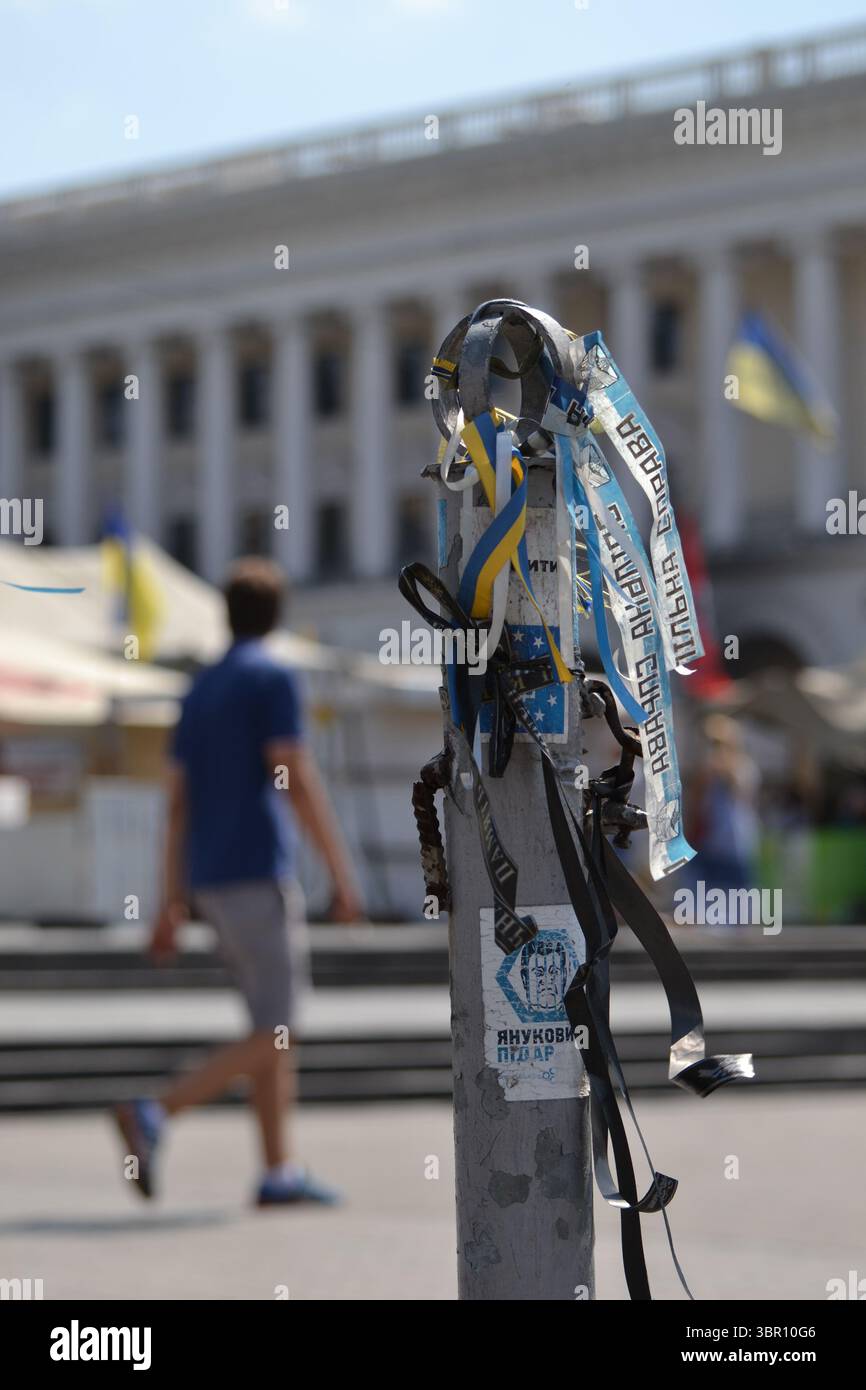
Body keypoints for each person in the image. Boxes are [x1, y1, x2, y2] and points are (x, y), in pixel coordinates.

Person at [113, 557, 363, 1207]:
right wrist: (342, 874)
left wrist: (169, 898)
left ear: (226, 613)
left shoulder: (199, 689)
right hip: (257, 870)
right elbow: (295, 775)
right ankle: (156, 1111)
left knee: (267, 1027)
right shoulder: (273, 676)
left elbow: (176, 803)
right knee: (281, 1029)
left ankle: (278, 1174)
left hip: (210, 880)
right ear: (278, 616)